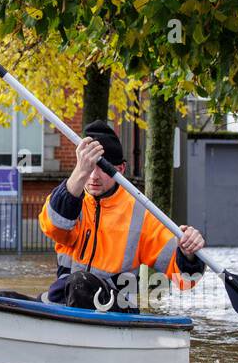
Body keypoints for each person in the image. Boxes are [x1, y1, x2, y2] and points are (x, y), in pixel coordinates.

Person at [39, 120, 206, 312]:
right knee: (4, 298)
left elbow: (184, 280)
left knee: (80, 282)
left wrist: (189, 254)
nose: (93, 176)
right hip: (63, 302)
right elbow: (52, 227)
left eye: (102, 168)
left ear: (121, 170)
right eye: (89, 166)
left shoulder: (141, 214)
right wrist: (79, 173)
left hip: (116, 307)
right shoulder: (70, 198)